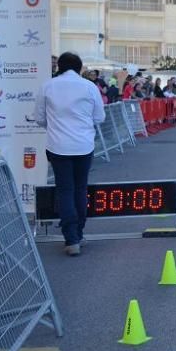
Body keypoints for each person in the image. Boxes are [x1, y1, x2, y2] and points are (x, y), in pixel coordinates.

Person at [34, 52, 105, 257]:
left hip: (58, 146)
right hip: (84, 146)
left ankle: (71, 237)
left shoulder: (47, 86)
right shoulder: (90, 87)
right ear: (80, 67)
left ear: (59, 66)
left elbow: (39, 119)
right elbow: (99, 117)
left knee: (65, 190)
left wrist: (56, 125)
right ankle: (79, 232)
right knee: (80, 189)